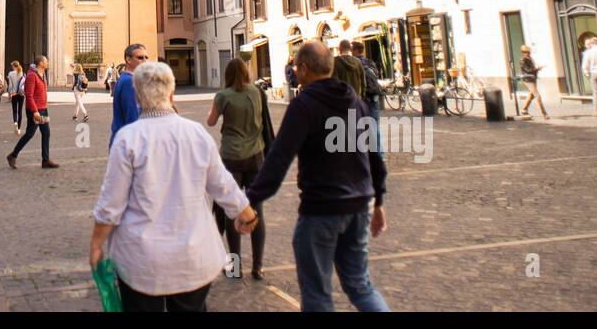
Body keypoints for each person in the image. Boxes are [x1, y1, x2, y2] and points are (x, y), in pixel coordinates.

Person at [90, 60, 257, 312]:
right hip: (192, 257)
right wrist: (246, 214)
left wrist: (96, 244)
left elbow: (111, 204)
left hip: (141, 260)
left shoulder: (128, 139)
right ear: (172, 93)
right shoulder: (196, 133)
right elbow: (222, 185)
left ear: (137, 95)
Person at [246, 41, 389, 312]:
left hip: (322, 209)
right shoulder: (356, 102)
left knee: (317, 295)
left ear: (303, 68)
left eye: (295, 66)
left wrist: (251, 199)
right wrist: (379, 201)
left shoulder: (304, 105)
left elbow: (279, 158)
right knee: (361, 285)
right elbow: (374, 158)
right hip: (359, 206)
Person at [206, 58, 267, 280]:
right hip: (256, 156)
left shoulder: (223, 95)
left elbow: (211, 122)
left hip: (231, 157)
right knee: (256, 210)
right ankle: (258, 266)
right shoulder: (257, 92)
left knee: (233, 210)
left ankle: (235, 266)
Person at [7, 56, 58, 169]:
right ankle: (13, 155)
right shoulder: (31, 75)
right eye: (46, 61)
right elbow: (29, 95)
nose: (47, 63)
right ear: (40, 63)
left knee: (46, 132)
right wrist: (35, 111)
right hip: (35, 110)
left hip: (43, 109)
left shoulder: (42, 75)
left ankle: (45, 160)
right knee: (30, 133)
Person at [110, 43, 148, 147]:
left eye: (146, 57)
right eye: (140, 58)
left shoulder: (125, 78)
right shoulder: (130, 81)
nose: (145, 61)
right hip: (128, 143)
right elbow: (132, 117)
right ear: (128, 59)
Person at [518, 45, 550, 119]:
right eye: (525, 52)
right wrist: (537, 69)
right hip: (528, 80)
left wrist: (537, 68)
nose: (527, 53)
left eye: (528, 52)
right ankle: (544, 113)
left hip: (533, 78)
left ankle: (524, 109)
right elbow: (527, 70)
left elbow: (532, 68)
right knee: (537, 96)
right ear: (523, 52)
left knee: (531, 95)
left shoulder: (530, 59)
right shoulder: (522, 60)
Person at [6, 61, 25, 135]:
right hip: (21, 94)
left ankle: (15, 122)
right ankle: (19, 129)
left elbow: (10, 86)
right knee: (20, 111)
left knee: (14, 110)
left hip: (14, 94)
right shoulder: (21, 73)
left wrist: (9, 95)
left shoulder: (10, 74)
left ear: (13, 66)